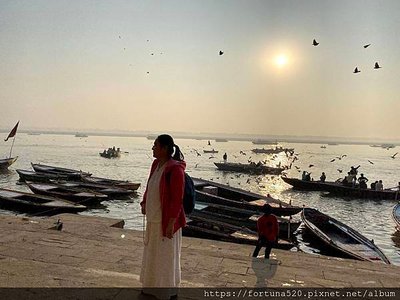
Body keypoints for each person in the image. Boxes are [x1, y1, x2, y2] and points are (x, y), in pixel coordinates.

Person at [140, 134, 186, 298]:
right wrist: (144, 202)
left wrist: (170, 224)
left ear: (164, 148)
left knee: (165, 258)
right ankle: (150, 286)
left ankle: (165, 290)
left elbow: (176, 199)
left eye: (155, 145)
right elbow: (149, 185)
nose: (152, 148)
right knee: (152, 255)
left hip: (165, 221)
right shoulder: (156, 165)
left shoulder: (175, 170)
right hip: (153, 219)